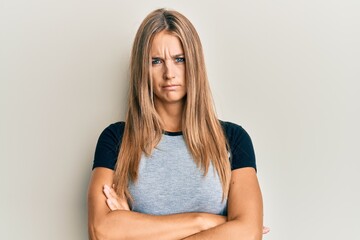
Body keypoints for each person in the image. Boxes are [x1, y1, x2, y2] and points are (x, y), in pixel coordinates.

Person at [87, 8, 268, 240]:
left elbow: (248, 233)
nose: (169, 73)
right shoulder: (116, 139)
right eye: (156, 61)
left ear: (194, 63)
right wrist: (205, 221)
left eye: (179, 59)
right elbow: (101, 231)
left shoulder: (233, 139)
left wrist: (134, 228)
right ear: (143, 69)